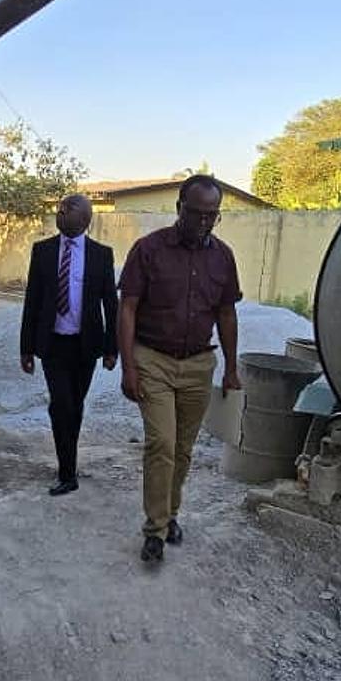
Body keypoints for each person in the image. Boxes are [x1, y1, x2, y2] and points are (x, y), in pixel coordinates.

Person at [117, 175, 242, 562]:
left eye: (212, 215)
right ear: (179, 209)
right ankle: (154, 530)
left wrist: (232, 368)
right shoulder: (148, 250)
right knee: (162, 444)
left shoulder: (223, 257)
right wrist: (128, 368)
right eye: (197, 213)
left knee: (183, 450)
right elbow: (128, 309)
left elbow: (226, 313)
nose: (204, 222)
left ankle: (170, 515)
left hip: (198, 364)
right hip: (152, 359)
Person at [20, 194, 118, 496]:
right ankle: (67, 473)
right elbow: (33, 300)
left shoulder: (101, 255)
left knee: (74, 406)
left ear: (86, 219)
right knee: (61, 404)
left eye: (68, 210)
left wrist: (111, 348)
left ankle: (69, 461)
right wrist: (26, 347)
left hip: (86, 345)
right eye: (59, 209)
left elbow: (110, 305)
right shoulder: (43, 251)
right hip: (53, 344)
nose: (60, 214)